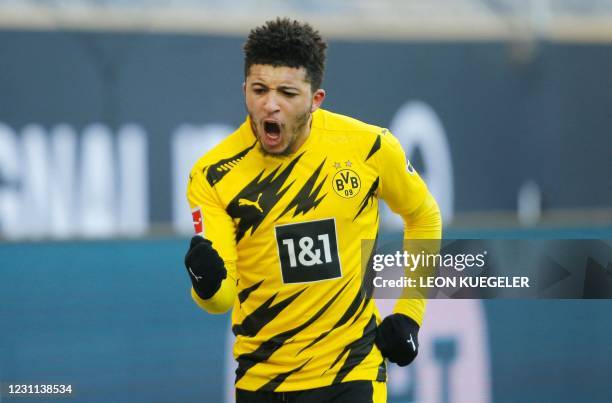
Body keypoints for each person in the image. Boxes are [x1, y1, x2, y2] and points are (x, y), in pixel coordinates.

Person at [183, 18, 442, 403]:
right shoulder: (214, 175)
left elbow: (423, 217)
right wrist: (204, 284)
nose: (270, 104)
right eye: (259, 90)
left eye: (287, 92)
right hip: (261, 381)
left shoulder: (368, 147)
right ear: (244, 90)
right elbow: (220, 299)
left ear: (315, 99)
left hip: (352, 373)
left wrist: (410, 313)